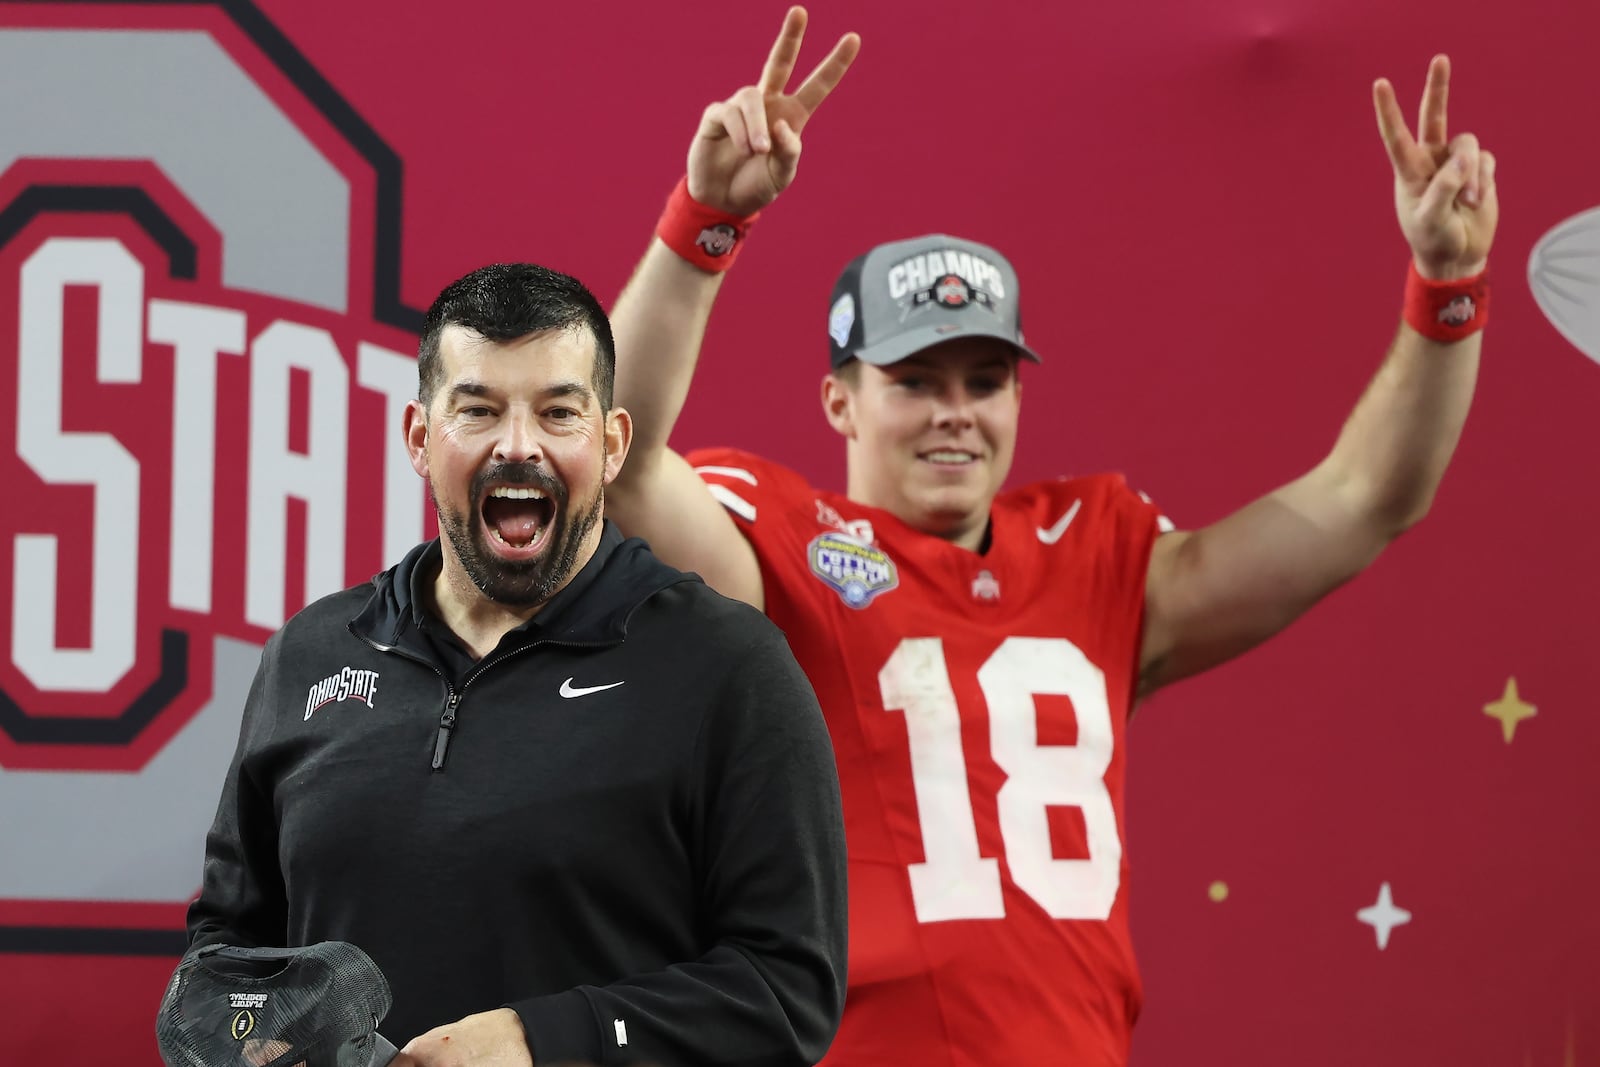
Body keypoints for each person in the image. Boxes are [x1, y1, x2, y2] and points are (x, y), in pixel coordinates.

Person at [603, 8, 1497, 1066]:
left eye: (985, 381)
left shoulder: (1094, 555)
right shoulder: (785, 540)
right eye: (915, 381)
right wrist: (703, 221)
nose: (956, 412)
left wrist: (1445, 290)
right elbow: (614, 456)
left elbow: (1366, 498)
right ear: (839, 401)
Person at [183, 262, 849, 1067]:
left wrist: (543, 1040)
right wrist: (242, 1034)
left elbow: (787, 991)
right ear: (421, 440)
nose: (518, 445)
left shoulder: (728, 666)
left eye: (558, 412)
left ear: (611, 445)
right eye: (479, 409)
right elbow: (225, 951)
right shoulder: (311, 654)